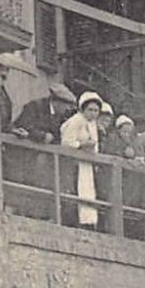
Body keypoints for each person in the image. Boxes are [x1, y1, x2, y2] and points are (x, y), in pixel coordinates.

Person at [60, 91, 102, 228]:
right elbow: (66, 142)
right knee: (75, 191)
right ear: (83, 109)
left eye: (96, 110)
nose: (93, 113)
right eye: (90, 110)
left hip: (87, 165)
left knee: (88, 193)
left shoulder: (93, 124)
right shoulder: (77, 120)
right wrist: (81, 145)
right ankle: (73, 223)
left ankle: (87, 223)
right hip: (74, 163)